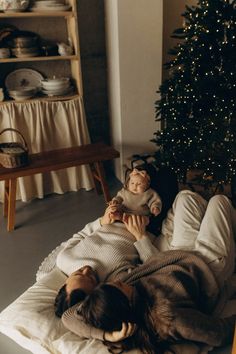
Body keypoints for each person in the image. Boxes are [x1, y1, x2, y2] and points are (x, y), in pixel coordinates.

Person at [60, 191, 236, 353]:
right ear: (127, 303)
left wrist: (109, 336)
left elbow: (68, 317)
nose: (119, 280)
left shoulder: (122, 290)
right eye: (120, 285)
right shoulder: (168, 318)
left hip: (177, 255)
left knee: (185, 197)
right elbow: (219, 334)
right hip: (208, 266)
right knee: (219, 201)